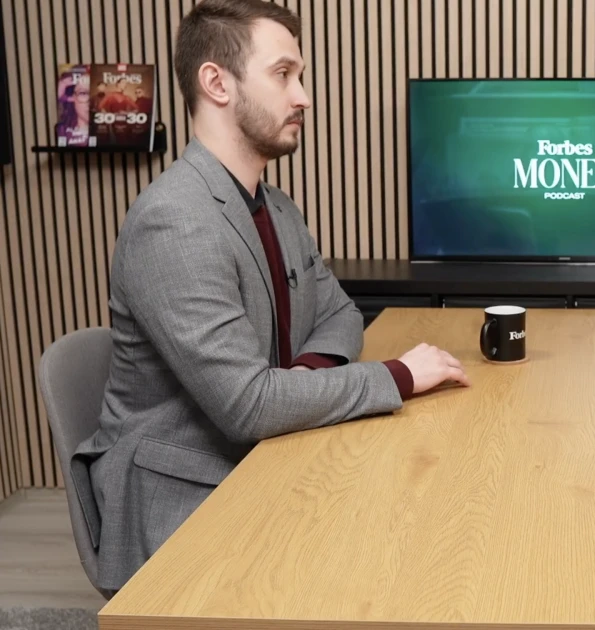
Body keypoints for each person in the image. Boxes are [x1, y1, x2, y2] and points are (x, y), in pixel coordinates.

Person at [71, 0, 470, 594]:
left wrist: (299, 381)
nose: (303, 96)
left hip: (269, 455)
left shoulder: (275, 206)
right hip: (180, 495)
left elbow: (339, 312)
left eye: (299, 76)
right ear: (217, 83)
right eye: (283, 75)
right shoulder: (173, 221)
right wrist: (400, 375)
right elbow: (249, 407)